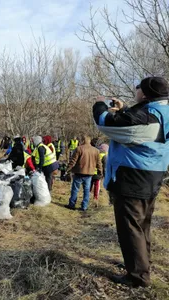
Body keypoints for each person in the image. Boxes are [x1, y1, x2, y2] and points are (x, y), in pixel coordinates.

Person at [93, 77, 169, 288]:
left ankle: (137, 276)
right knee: (141, 227)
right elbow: (142, 126)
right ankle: (141, 265)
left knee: (130, 229)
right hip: (151, 177)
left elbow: (107, 124)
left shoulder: (146, 118)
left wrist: (100, 104)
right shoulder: (163, 111)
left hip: (132, 179)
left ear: (144, 93)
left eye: (138, 88)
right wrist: (126, 108)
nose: (135, 91)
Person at [64, 135, 102, 211]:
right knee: (87, 190)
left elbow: (73, 161)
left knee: (75, 189)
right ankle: (84, 206)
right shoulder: (96, 151)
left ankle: (72, 204)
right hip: (89, 173)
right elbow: (99, 163)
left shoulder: (79, 149)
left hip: (79, 172)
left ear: (83, 141)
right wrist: (100, 171)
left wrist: (67, 169)